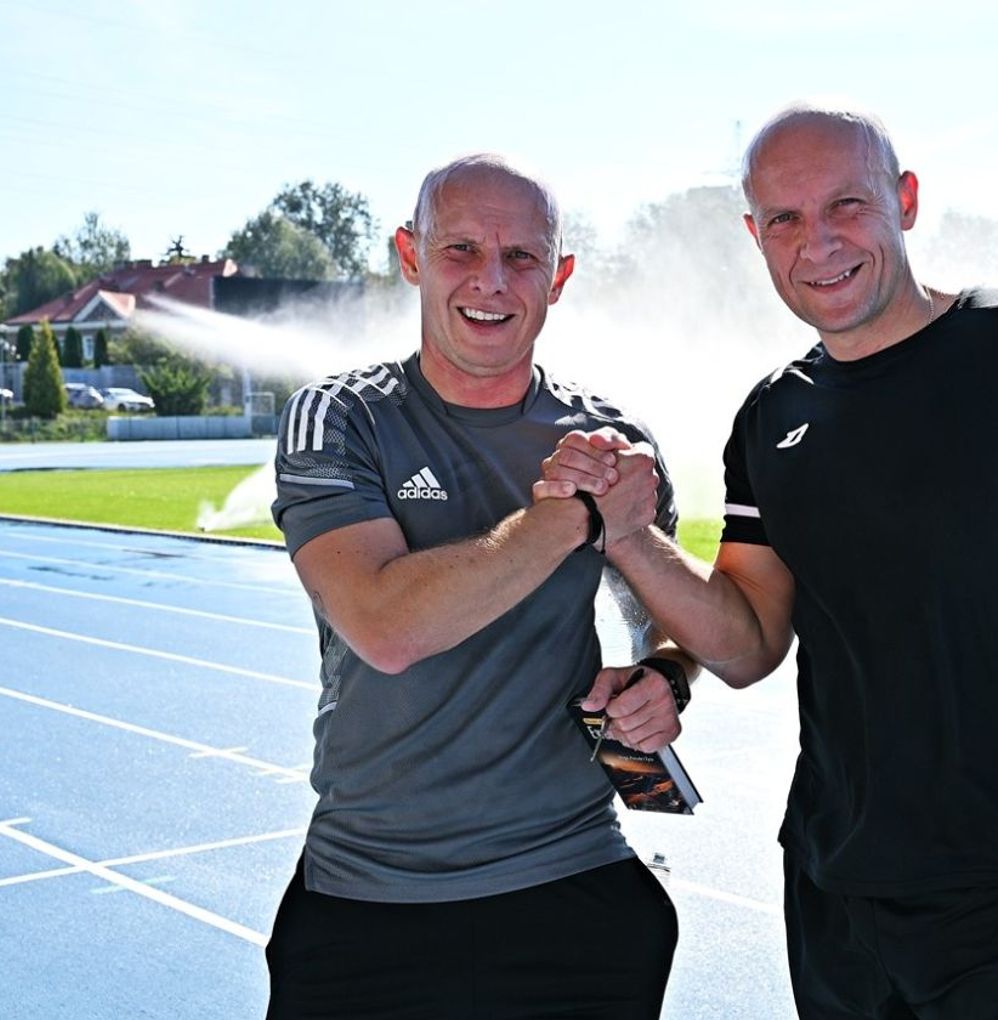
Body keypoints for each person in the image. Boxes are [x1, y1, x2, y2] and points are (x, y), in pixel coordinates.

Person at [536, 105, 998, 1019]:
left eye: (846, 206)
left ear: (904, 200)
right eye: (784, 219)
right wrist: (629, 535)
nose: (817, 243)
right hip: (832, 889)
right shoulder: (772, 416)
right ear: (755, 235)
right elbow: (747, 643)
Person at [264, 154, 694, 1019]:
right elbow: (384, 627)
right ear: (410, 255)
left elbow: (666, 616)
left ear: (559, 276)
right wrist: (568, 517)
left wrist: (667, 675)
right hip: (369, 899)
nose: (491, 281)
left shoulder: (611, 438)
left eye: (522, 257)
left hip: (577, 885)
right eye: (459, 248)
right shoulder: (341, 416)